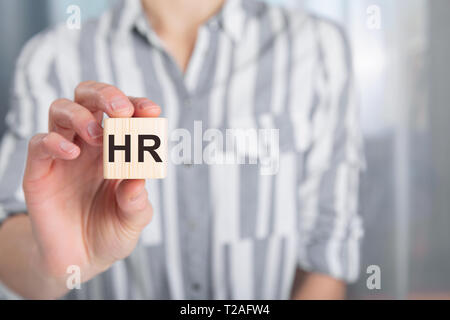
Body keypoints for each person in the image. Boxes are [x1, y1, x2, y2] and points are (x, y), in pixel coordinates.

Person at [0, 0, 364, 300]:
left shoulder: (317, 48)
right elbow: (10, 243)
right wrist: (51, 261)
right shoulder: (52, 59)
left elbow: (325, 253)